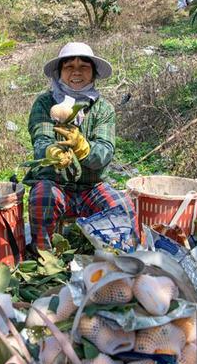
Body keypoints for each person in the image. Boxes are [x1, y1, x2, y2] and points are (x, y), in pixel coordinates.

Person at [23, 42, 137, 250]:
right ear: (59, 73)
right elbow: (41, 141)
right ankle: (43, 257)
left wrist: (82, 147)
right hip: (56, 185)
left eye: (84, 66)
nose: (77, 72)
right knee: (42, 198)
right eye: (69, 67)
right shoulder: (45, 104)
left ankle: (119, 254)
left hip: (90, 187)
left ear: (93, 73)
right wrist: (53, 153)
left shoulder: (103, 109)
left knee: (122, 206)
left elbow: (105, 152)